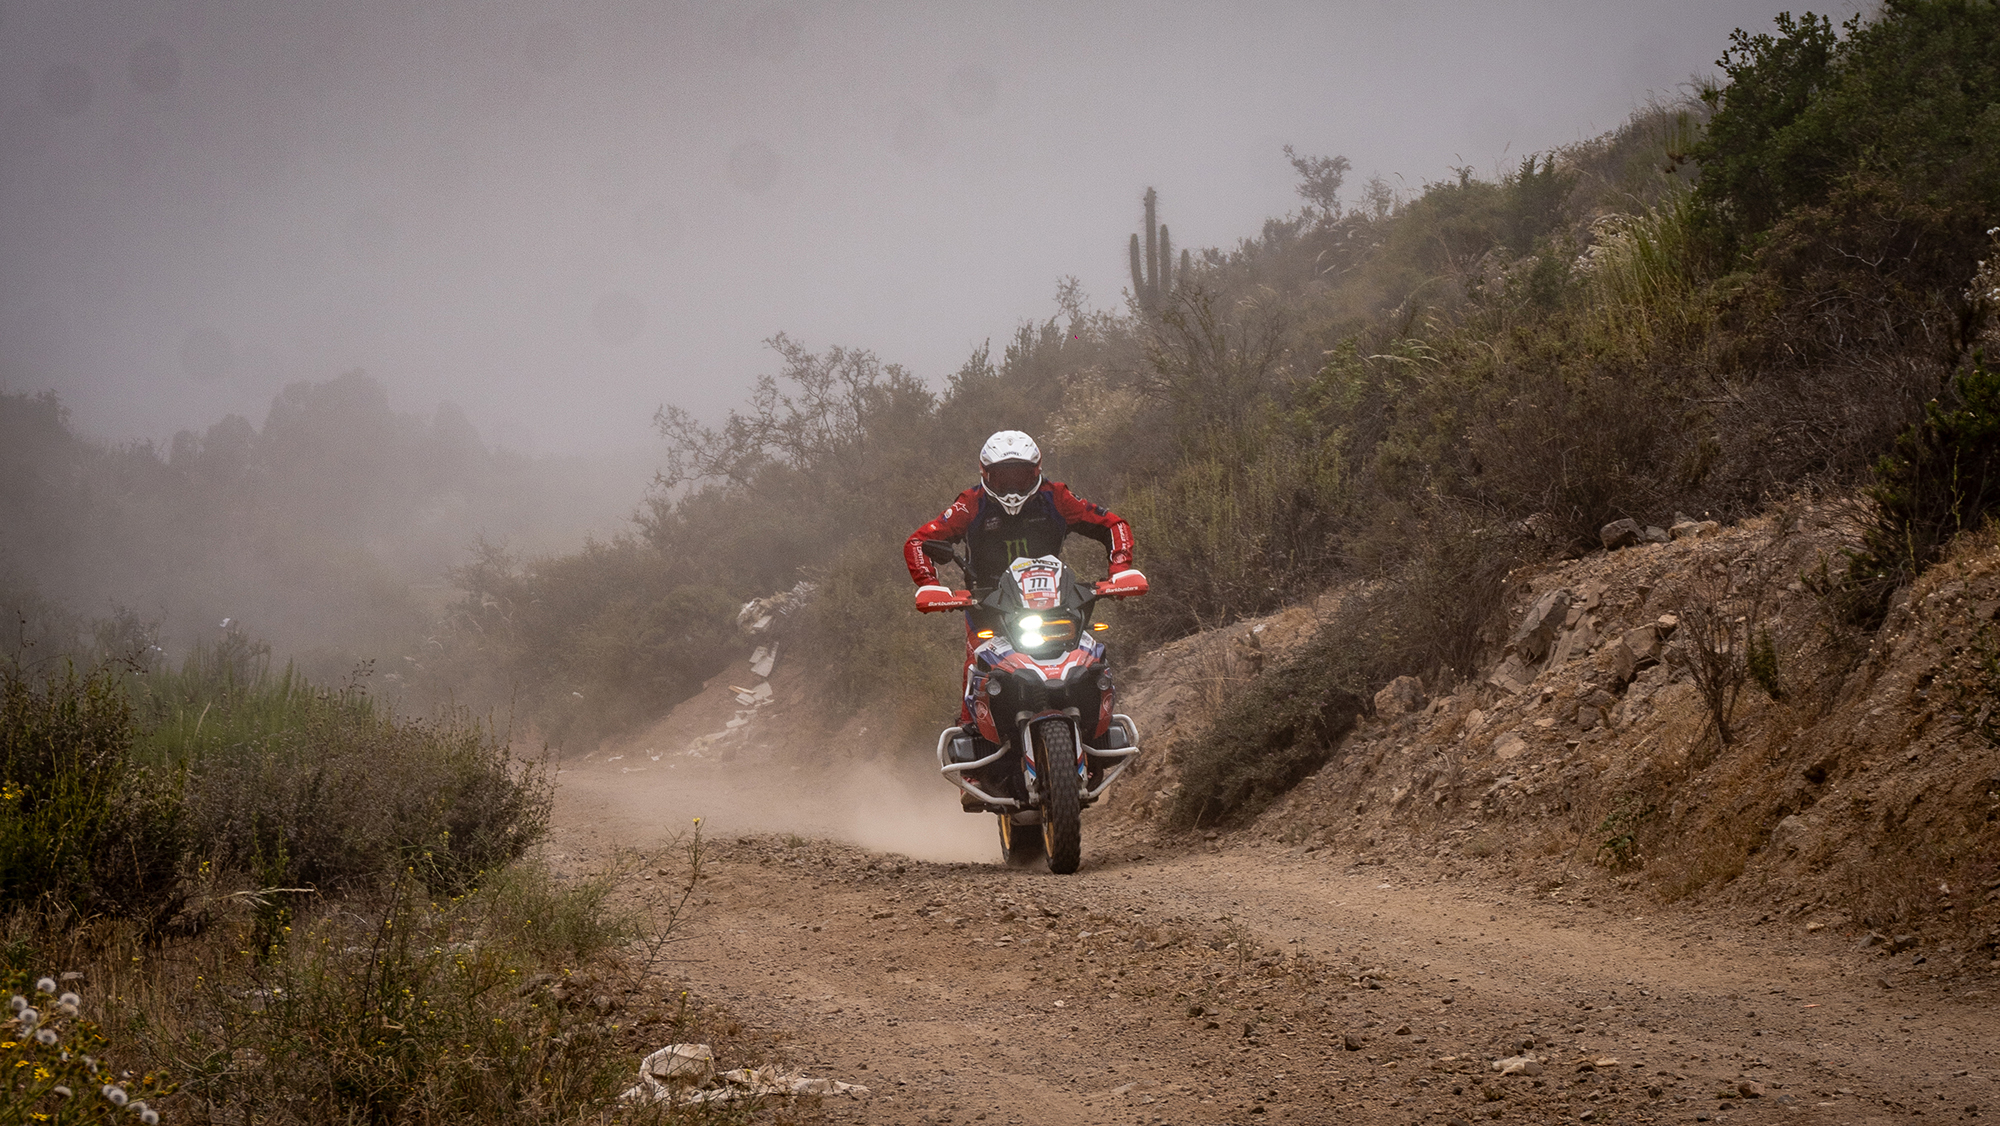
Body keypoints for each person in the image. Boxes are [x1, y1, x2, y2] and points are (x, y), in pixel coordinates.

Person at [903, 430, 1146, 733]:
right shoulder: (971, 504)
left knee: (1090, 652)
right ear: (985, 474)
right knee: (977, 660)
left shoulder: (1055, 496)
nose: (1012, 487)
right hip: (988, 604)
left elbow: (1113, 524)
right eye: (1002, 478)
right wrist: (929, 583)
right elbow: (919, 542)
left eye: (1021, 476)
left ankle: (1098, 723)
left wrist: (1120, 568)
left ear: (1037, 471)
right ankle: (973, 744)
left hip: (1055, 601)